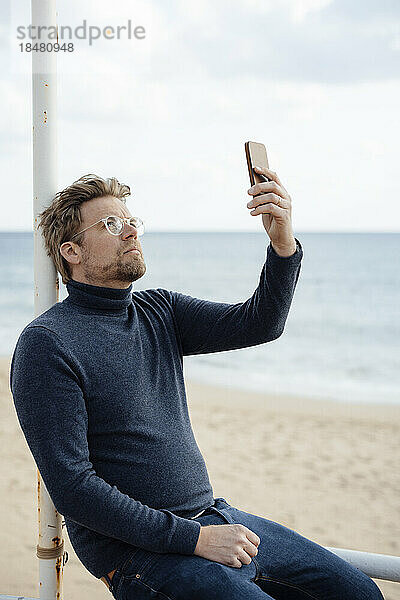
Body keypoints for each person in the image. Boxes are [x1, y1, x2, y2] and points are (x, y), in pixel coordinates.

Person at [10, 170, 383, 600]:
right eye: (111, 224)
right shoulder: (47, 345)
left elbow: (259, 322)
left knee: (361, 593)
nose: (131, 229)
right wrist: (194, 540)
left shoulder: (160, 310)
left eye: (132, 220)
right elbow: (74, 489)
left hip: (216, 519)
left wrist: (283, 245)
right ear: (71, 251)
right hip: (140, 556)